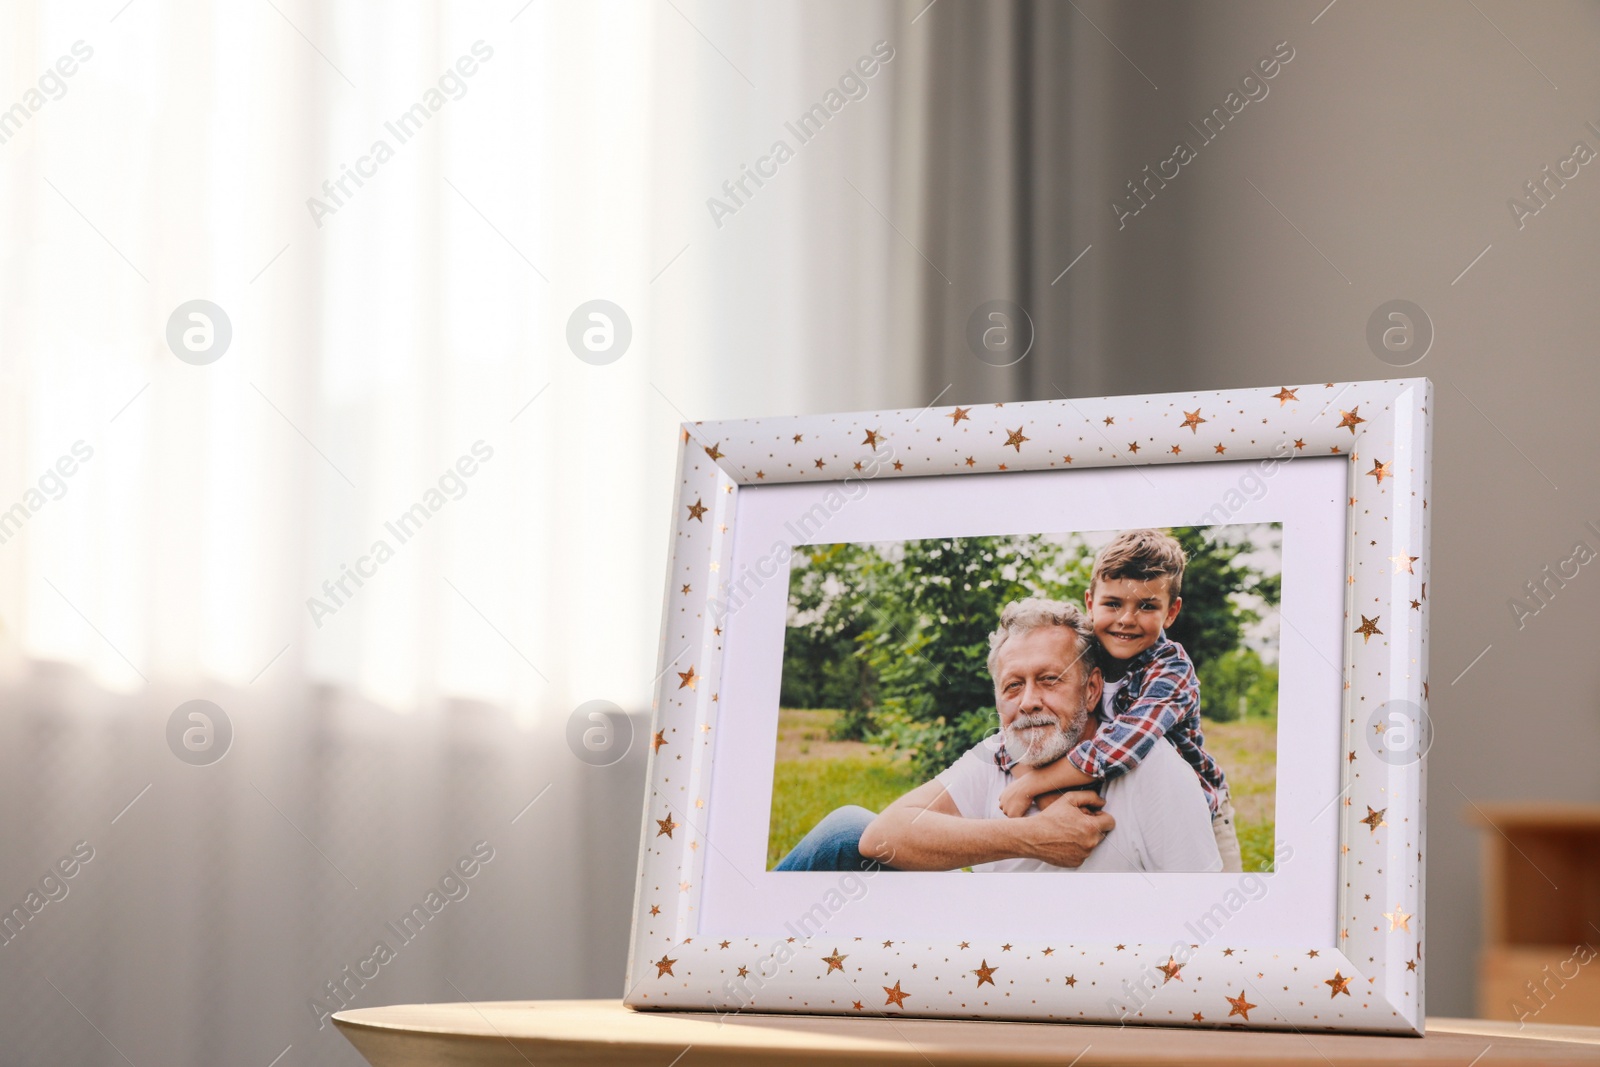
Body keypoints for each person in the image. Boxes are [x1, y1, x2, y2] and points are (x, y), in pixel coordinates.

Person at [774, 597, 1220, 873]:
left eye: (1049, 680)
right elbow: (880, 836)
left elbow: (1199, 918)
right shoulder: (996, 755)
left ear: (1091, 688)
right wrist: (1032, 837)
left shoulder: (1150, 768)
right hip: (988, 952)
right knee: (845, 829)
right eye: (1012, 685)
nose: (1027, 702)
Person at [994, 529, 1243, 872]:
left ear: (1171, 612)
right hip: (1120, 803)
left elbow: (1124, 745)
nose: (1126, 619)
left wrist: (1035, 783)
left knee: (1211, 900)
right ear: (1090, 603)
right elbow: (1039, 722)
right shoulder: (1082, 658)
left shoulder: (1171, 670)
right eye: (1113, 604)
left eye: (1146, 606)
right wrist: (1029, 774)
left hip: (1197, 814)